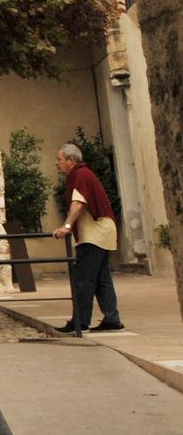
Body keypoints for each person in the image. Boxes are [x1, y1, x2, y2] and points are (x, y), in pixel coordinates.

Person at [52, 142, 123, 333]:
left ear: (70, 160)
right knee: (101, 277)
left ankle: (80, 321)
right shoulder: (83, 174)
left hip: (94, 233)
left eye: (59, 159)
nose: (56, 163)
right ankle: (112, 318)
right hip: (102, 230)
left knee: (82, 278)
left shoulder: (80, 175)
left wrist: (66, 226)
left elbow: (78, 203)